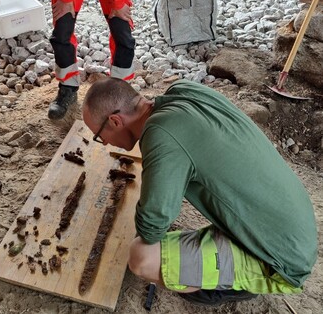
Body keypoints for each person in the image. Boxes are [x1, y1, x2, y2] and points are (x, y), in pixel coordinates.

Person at [82, 77, 317, 306]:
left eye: (99, 136)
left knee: (142, 256)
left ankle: (229, 286)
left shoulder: (161, 134)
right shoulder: (183, 91)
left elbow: (152, 225)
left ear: (115, 121)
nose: (104, 142)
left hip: (282, 259)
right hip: (293, 226)